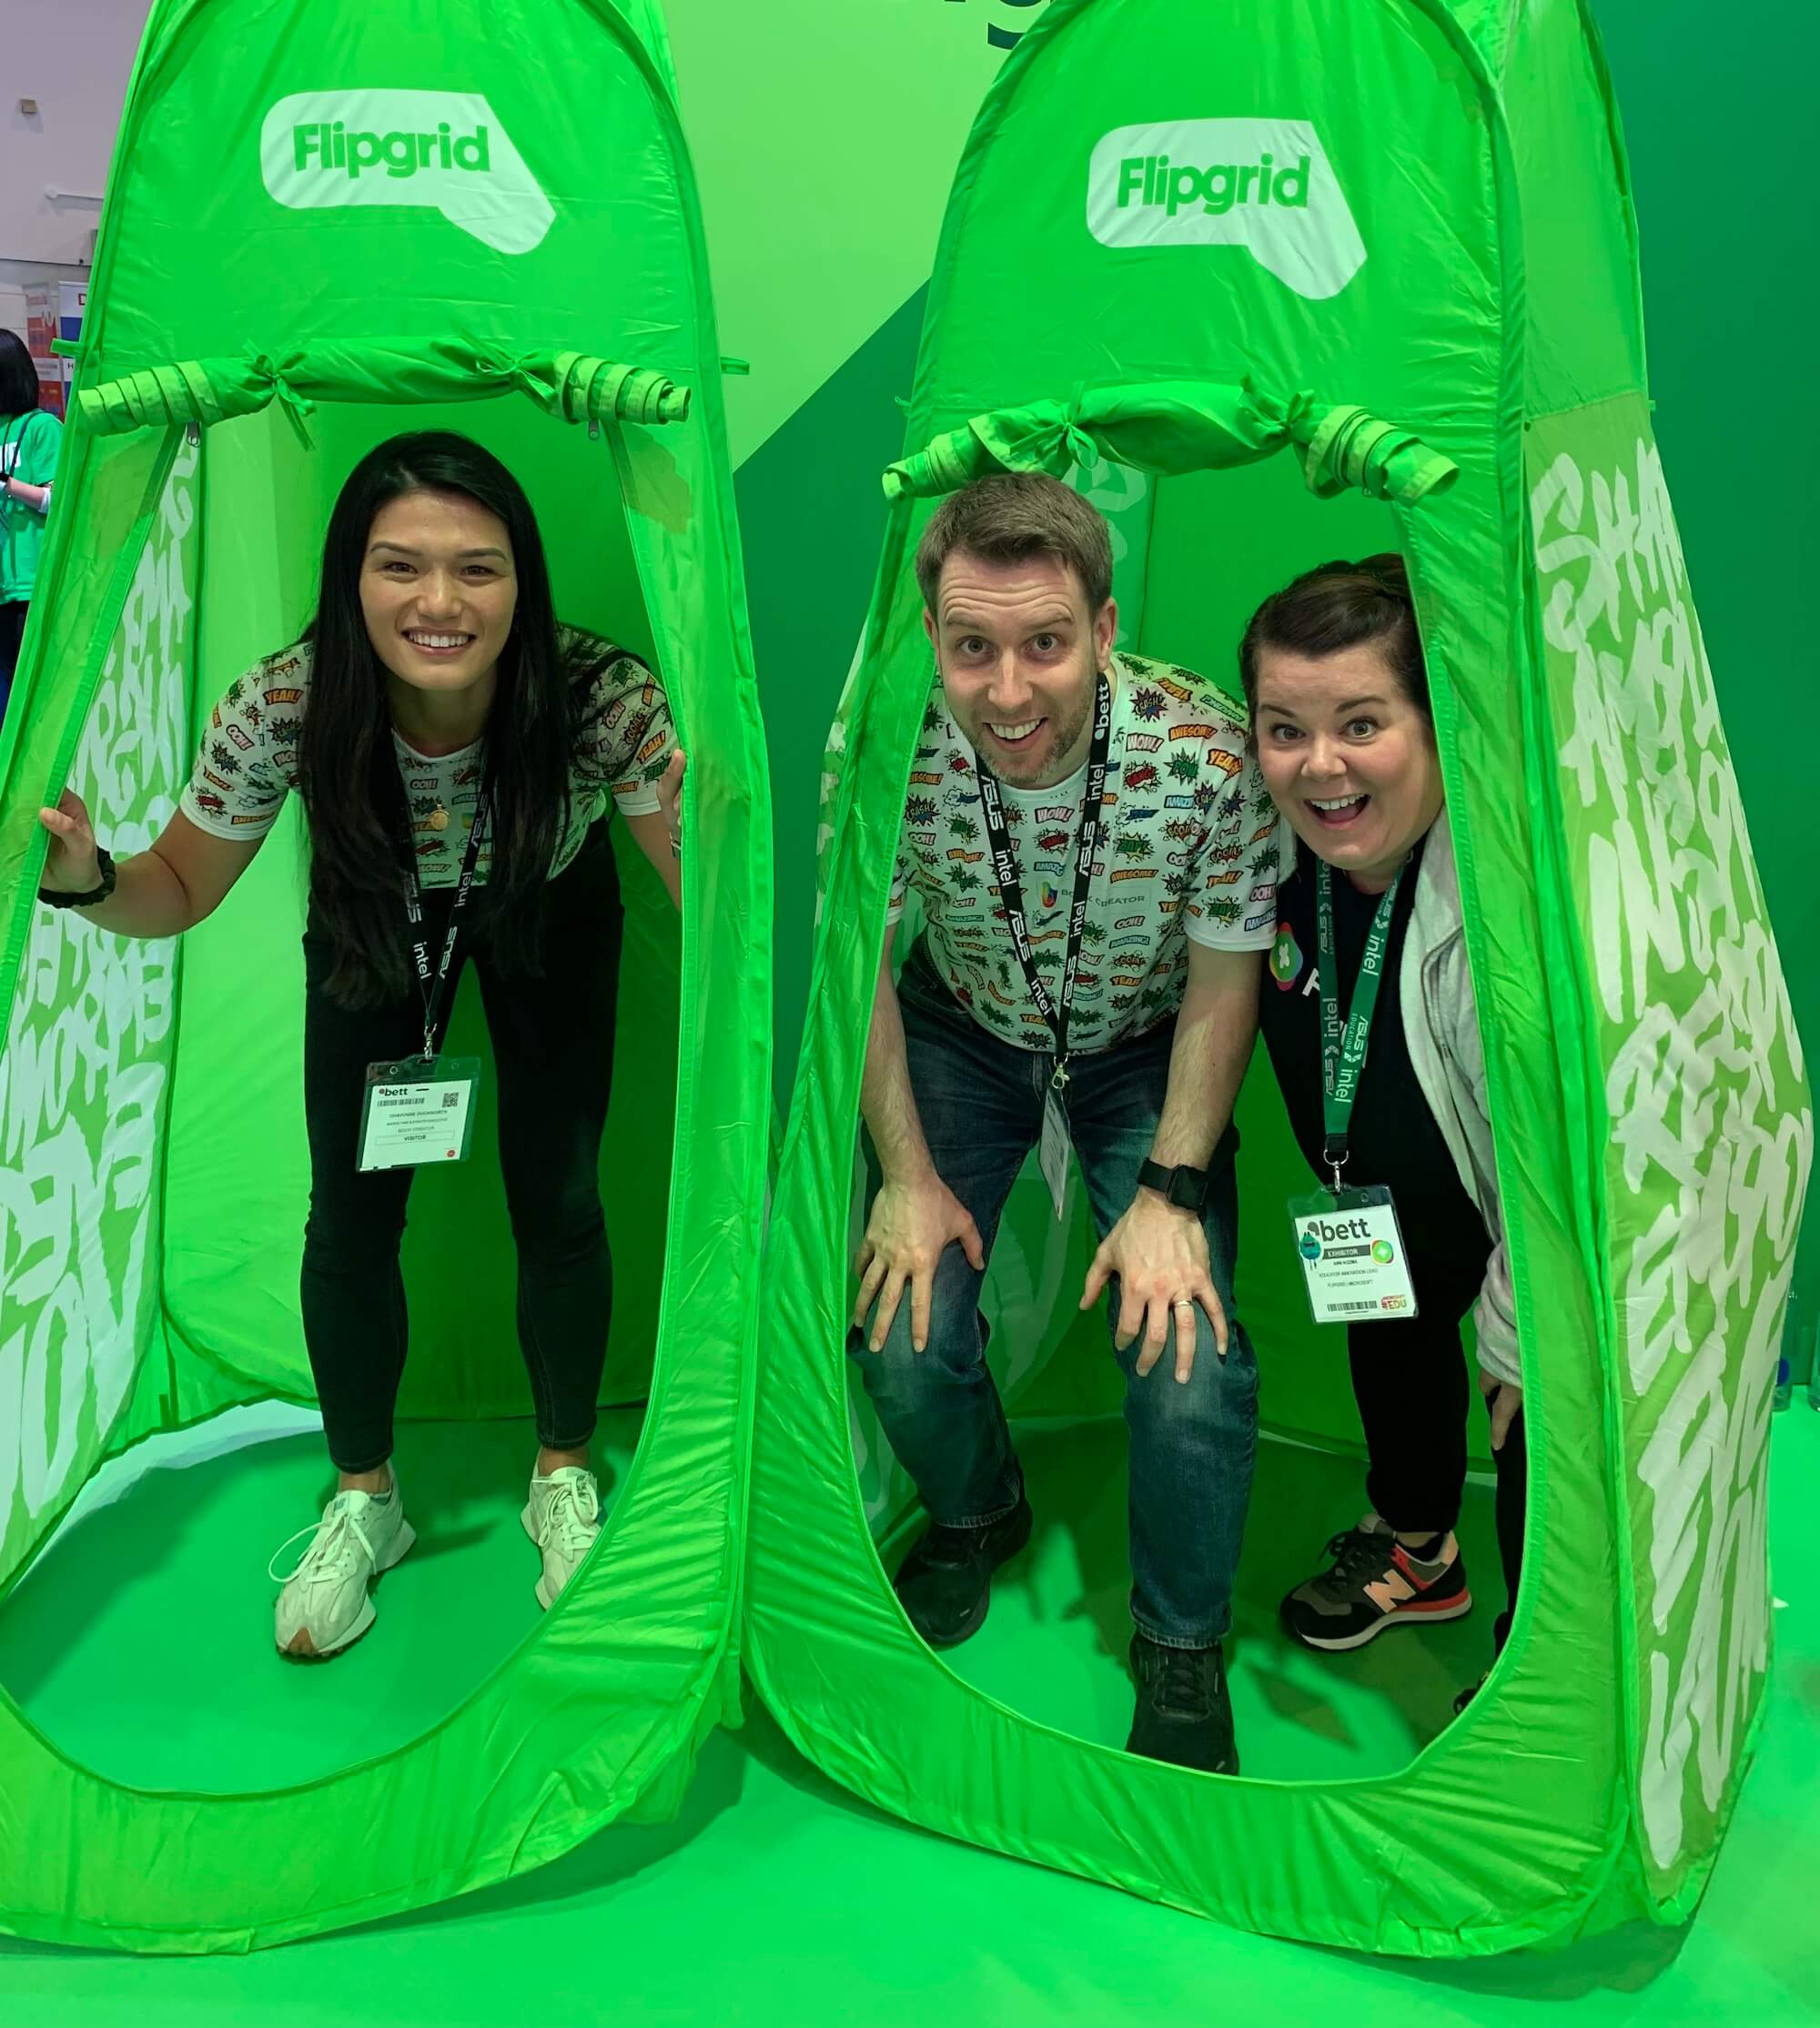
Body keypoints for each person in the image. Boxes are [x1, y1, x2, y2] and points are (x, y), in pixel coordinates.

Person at [36, 430, 685, 1660]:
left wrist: (728, 821)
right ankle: (365, 1499)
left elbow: (709, 892)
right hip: (375, 919)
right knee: (348, 1216)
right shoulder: (284, 701)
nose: (439, 602)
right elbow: (174, 888)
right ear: (352, 577)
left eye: (476, 569)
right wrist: (85, 880)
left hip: (545, 905)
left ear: (521, 581)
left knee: (558, 1195)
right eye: (401, 566)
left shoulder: (603, 694)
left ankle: (561, 1470)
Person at [852, 472, 1288, 1773]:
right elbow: (857, 968)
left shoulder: (1203, 751)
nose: (1008, 690)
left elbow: (1226, 979)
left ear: (1104, 624)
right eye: (972, 646)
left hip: (1146, 1041)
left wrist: (1170, 1189)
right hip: (964, 1024)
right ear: (931, 633)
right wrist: (906, 1175)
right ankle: (980, 1509)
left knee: (1187, 1350)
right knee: (903, 1323)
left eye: (1046, 644)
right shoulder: (880, 746)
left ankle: (1179, 1640)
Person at [1243, 555, 1523, 1708]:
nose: (1320, 767)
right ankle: (1418, 1549)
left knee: (1527, 1424)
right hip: (1366, 1203)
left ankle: (1534, 1662)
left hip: (1516, 1229)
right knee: (1391, 1356)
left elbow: (1556, 1177)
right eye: (1284, 729)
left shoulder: (1498, 917)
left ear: (1435, 719)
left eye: (1362, 724)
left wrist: (1522, 1324)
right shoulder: (1263, 856)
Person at [0, 328, 62, 728]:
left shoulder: (42, 427)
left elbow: (58, 499)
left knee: (33, 698)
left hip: (30, 584)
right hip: (3, 586)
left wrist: (8, 485)